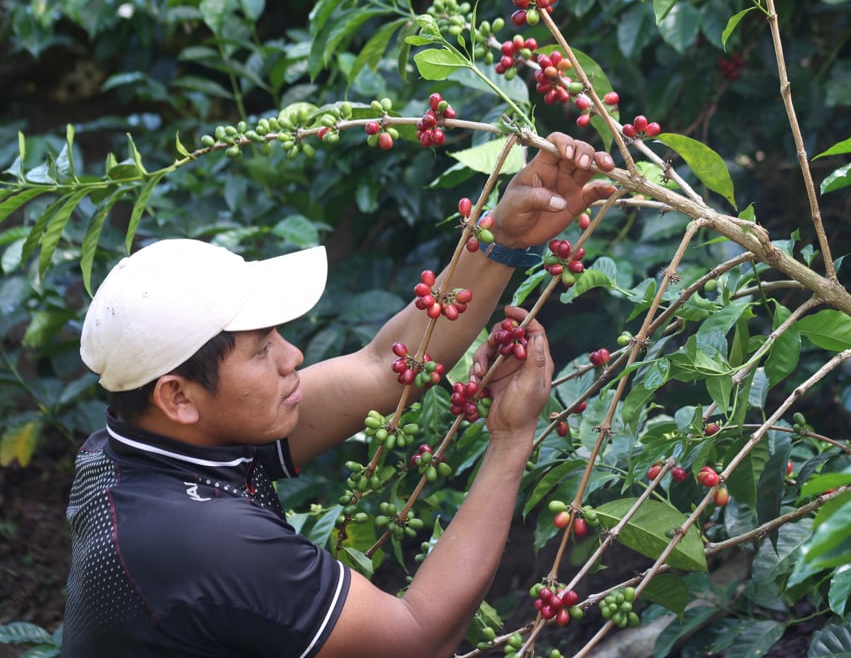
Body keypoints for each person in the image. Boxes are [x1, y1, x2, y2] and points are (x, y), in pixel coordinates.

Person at [62, 132, 617, 658]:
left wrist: (505, 239)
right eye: (261, 350)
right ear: (178, 398)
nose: (293, 356)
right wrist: (510, 438)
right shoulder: (203, 541)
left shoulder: (139, 449)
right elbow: (419, 641)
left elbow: (386, 368)